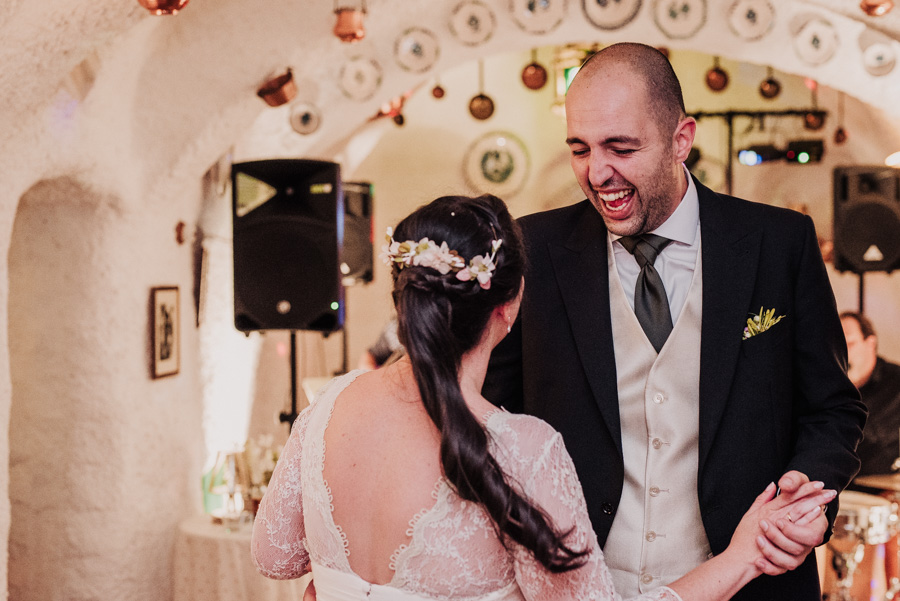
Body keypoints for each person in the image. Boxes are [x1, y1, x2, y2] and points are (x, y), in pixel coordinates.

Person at [252, 193, 836, 601]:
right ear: (510, 308)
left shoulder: (328, 406)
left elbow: (275, 557)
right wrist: (742, 557)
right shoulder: (522, 450)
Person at [483, 43, 866, 601]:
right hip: (577, 585)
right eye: (580, 149)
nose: (597, 173)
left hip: (751, 582)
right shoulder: (533, 249)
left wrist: (806, 498)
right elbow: (492, 418)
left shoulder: (778, 244)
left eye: (621, 147)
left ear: (680, 139)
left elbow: (834, 409)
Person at [841, 311, 900, 479]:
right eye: (835, 346)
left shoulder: (896, 383)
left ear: (870, 344)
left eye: (849, 344)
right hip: (837, 492)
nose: (841, 353)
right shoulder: (825, 387)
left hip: (882, 493)